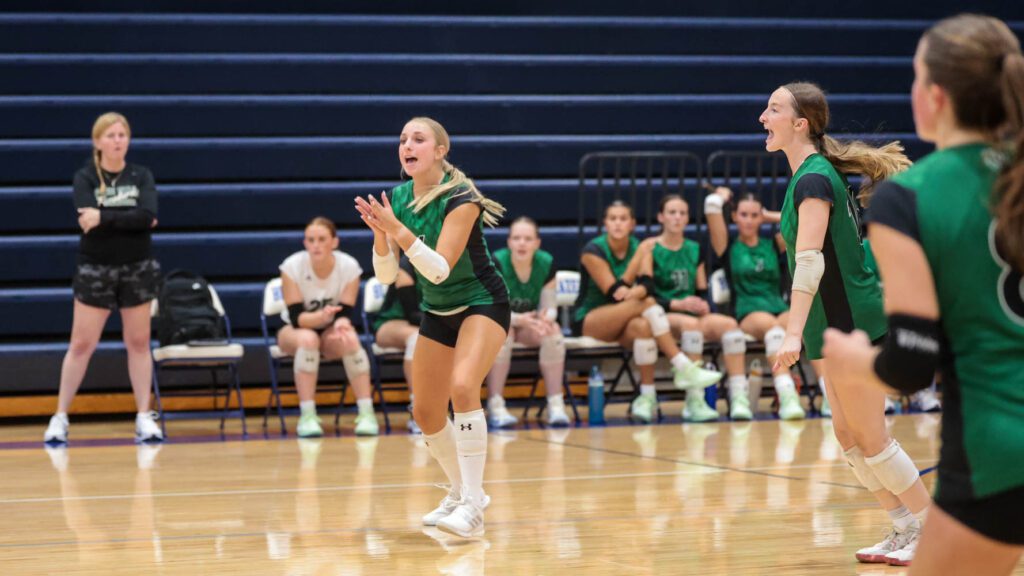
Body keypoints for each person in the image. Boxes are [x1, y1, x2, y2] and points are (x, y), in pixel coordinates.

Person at [823, 14, 1024, 573]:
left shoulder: (909, 197)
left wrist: (851, 359)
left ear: (934, 95)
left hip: (999, 449)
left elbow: (910, 363)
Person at [763, 80, 932, 565]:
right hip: (829, 323)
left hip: (852, 320)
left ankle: (933, 529)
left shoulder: (815, 178)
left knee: (871, 435)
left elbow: (810, 262)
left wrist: (791, 332)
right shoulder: (806, 177)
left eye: (773, 109)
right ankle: (903, 527)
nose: (762, 117)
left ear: (801, 124)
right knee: (846, 434)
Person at [355, 116, 509, 538]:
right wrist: (380, 236)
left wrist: (397, 230)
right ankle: (461, 491)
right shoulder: (399, 198)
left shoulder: (462, 198)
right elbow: (386, 278)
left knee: (463, 388)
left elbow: (439, 270)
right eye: (403, 138)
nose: (407, 144)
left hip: (482, 303)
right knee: (424, 410)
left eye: (418, 139)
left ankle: (474, 506)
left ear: (440, 151)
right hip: (437, 311)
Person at [44, 112, 163, 445]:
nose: (117, 140)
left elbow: (148, 216)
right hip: (96, 268)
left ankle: (143, 415)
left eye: (122, 134)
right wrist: (127, 218)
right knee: (82, 345)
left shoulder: (141, 175)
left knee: (139, 343)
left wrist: (105, 217)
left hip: (137, 266)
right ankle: (60, 416)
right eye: (110, 135)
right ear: (97, 141)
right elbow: (88, 219)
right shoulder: (85, 177)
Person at [574, 200, 722, 424]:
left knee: (644, 326)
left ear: (632, 223)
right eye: (612, 219)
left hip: (628, 320)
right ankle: (683, 366)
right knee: (646, 303)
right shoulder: (593, 250)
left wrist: (635, 291)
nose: (617, 224)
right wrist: (637, 271)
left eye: (623, 219)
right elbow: (614, 292)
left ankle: (647, 396)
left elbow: (647, 285)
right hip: (593, 319)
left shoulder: (640, 246)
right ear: (605, 223)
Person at [637, 194, 755, 421]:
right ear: (661, 217)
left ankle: (739, 396)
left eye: (682, 213)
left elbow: (701, 289)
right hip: (663, 313)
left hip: (690, 314)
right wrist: (677, 303)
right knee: (692, 326)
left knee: (730, 325)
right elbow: (645, 293)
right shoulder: (651, 248)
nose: (677, 217)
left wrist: (702, 303)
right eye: (672, 212)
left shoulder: (694, 248)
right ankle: (694, 399)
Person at [705, 186, 806, 420]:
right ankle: (785, 394)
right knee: (774, 329)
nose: (749, 221)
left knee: (797, 326)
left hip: (777, 306)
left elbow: (802, 219)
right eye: (743, 215)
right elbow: (711, 209)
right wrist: (720, 196)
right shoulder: (727, 246)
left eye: (754, 215)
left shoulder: (773, 244)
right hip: (748, 310)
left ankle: (823, 395)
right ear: (734, 217)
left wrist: (769, 215)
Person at [276, 216, 379, 438]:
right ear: (305, 243)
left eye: (321, 239)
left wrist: (341, 323)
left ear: (334, 242)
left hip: (329, 328)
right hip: (294, 330)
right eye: (310, 240)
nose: (315, 245)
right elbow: (296, 318)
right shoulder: (291, 266)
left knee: (350, 339)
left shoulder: (349, 266)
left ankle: (366, 412)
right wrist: (322, 318)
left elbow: (346, 311)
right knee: (308, 340)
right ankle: (308, 415)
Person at [487, 216, 570, 427]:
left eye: (527, 238)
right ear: (509, 242)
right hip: (500, 321)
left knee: (552, 332)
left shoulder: (546, 262)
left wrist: (546, 318)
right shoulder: (497, 261)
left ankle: (555, 404)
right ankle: (495, 404)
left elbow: (550, 306)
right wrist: (517, 319)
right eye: (516, 238)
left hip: (528, 323)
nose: (522, 243)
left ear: (537, 243)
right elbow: (491, 308)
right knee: (501, 334)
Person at [371, 257, 424, 434]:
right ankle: (418, 409)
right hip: (392, 324)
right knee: (418, 338)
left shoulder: (448, 263)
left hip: (428, 325)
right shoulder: (406, 267)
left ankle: (456, 408)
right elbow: (413, 314)